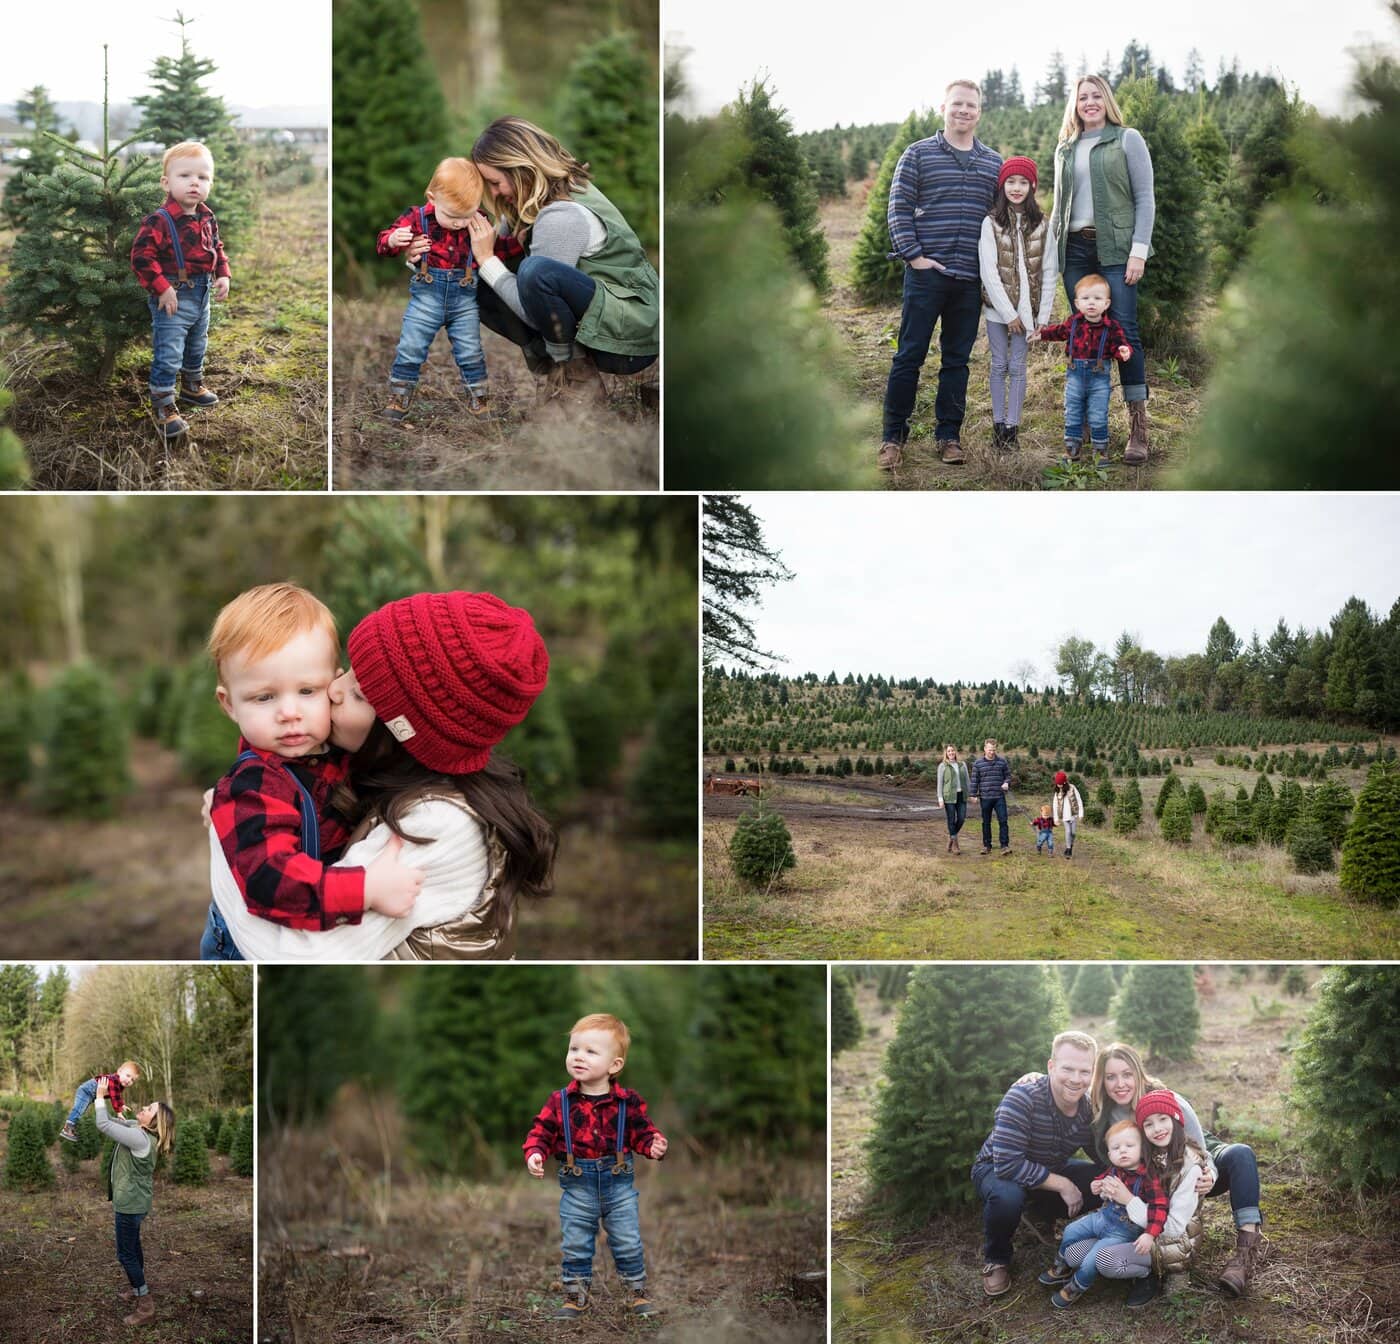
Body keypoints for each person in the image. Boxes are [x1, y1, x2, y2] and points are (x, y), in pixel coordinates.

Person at [207, 589, 557, 961]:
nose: (334, 690)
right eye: (350, 671)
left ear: (402, 733)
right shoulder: (360, 767)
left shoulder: (438, 825)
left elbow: (294, 954)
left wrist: (222, 834)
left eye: (358, 692)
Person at [201, 583, 423, 960]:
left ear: (334, 684)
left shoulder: (341, 753)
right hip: (246, 948)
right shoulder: (252, 788)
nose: (290, 713)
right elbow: (271, 881)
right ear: (230, 705)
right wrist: (364, 889)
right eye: (264, 697)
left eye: (307, 691)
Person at [464, 117, 658, 407]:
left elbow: (533, 308)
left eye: (495, 182)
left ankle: (576, 381)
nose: (493, 193)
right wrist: (429, 251)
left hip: (628, 338)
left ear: (521, 171)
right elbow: (479, 257)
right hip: (598, 322)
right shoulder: (529, 202)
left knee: (535, 272)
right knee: (471, 276)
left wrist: (487, 260)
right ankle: (561, 373)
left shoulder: (562, 215)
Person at [878, 80, 1002, 471]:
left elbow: (1000, 220)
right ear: (943, 108)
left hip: (968, 279)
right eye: (957, 104)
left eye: (971, 105)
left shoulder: (993, 163)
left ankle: (949, 436)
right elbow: (898, 207)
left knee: (956, 361)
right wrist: (914, 258)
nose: (964, 111)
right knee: (909, 355)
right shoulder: (917, 155)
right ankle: (892, 438)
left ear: (979, 112)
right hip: (927, 274)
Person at [1088, 1041, 1267, 1296]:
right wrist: (1035, 1078)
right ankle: (1149, 1258)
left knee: (1241, 1154)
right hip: (1153, 1180)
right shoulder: (1104, 1112)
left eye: (1127, 1074)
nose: (1120, 1084)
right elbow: (1069, 1081)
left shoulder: (1169, 1100)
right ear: (1101, 1081)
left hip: (1190, 1165)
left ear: (1139, 1073)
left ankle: (1244, 1256)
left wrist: (1211, 1174)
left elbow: (1202, 1151)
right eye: (1111, 1077)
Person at [523, 1013, 669, 1321]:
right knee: (576, 1244)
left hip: (618, 1186)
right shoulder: (559, 1101)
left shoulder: (627, 1102)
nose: (578, 1056)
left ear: (614, 1065)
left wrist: (653, 1145)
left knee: (627, 1241)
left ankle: (636, 1294)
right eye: (574, 1049)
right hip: (578, 1186)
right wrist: (535, 1152)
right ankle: (576, 1297)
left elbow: (642, 1132)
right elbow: (542, 1132)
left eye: (591, 1051)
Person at [1049, 76, 1156, 462]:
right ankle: (1091, 425)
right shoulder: (1065, 148)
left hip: (1116, 249)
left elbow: (1145, 198)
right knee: (1086, 335)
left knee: (1124, 334)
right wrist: (1052, 255)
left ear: (1106, 100)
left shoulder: (1127, 139)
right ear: (1074, 104)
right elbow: (1058, 207)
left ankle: (1138, 429)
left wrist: (1138, 252)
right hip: (1075, 252)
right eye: (1083, 97)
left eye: (1096, 96)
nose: (1090, 103)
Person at [970, 1030, 1102, 1297]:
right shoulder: (1023, 1097)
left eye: (1085, 1071)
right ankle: (997, 1258)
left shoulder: (1087, 1108)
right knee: (1008, 1195)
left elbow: (1101, 1154)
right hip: (996, 1169)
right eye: (1068, 1069)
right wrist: (1063, 1184)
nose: (1076, 1079)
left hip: (1048, 1169)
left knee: (1102, 1177)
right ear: (1051, 1066)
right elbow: (1007, 1164)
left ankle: (1041, 1214)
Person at [376, 157, 503, 423]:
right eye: (453, 216)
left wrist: (518, 242)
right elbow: (382, 245)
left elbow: (496, 248)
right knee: (411, 346)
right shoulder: (416, 218)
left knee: (470, 350)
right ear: (432, 198)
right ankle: (399, 396)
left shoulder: (477, 220)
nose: (460, 223)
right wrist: (392, 239)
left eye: (467, 215)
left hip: (464, 300)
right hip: (427, 298)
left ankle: (479, 398)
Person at [1071, 1089, 1216, 1308]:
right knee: (1073, 1255)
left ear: (1175, 1118)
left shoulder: (1190, 1167)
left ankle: (1148, 1273)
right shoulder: (1150, 1151)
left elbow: (1175, 1227)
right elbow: (1125, 1181)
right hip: (1132, 1229)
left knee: (1105, 1261)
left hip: (1171, 1242)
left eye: (1162, 1119)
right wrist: (1105, 1188)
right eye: (1148, 1124)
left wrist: (1129, 1200)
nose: (1157, 1128)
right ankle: (1116, 1251)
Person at [129, 141, 231, 440]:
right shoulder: (159, 221)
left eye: (203, 177)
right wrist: (161, 289)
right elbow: (141, 257)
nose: (194, 183)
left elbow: (216, 248)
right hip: (173, 295)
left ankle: (192, 385)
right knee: (169, 350)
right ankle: (163, 405)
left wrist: (222, 274)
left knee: (197, 342)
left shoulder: (206, 217)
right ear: (167, 182)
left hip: (201, 294)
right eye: (185, 176)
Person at [1041, 1118, 1167, 1308]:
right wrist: (1095, 1186)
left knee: (1093, 1260)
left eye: (1129, 1145)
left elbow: (1159, 1209)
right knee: (1070, 1231)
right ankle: (1061, 1264)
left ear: (1142, 1149)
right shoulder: (1115, 1170)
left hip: (1123, 1231)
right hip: (1101, 1218)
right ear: (1109, 1154)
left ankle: (1076, 1286)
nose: (1122, 1151)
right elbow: (1101, 1180)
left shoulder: (1149, 1178)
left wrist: (1150, 1234)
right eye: (1116, 1148)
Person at [978, 156, 1057, 450]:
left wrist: (1043, 318)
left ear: (1032, 186)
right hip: (998, 311)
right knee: (999, 364)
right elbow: (989, 272)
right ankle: (998, 426)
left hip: (1028, 313)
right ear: (1002, 185)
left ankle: (1013, 428)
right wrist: (1008, 313)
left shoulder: (1042, 225)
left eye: (1023, 182)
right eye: (1011, 181)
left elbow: (1049, 271)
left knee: (1019, 367)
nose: (1016, 187)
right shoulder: (991, 223)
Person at [94, 1075, 175, 1326]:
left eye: (149, 1109)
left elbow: (103, 1125)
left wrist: (99, 1097)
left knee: (125, 1254)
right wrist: (115, 1105)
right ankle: (136, 1286)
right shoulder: (138, 1130)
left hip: (130, 1204)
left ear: (154, 1121)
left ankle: (146, 1304)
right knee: (133, 1248)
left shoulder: (140, 1138)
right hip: (136, 1201)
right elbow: (113, 1121)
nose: (144, 1108)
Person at [1029, 274, 1133, 464]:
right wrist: (1041, 335)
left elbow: (1119, 345)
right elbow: (1058, 332)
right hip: (1075, 376)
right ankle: (1072, 449)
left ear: (1107, 304)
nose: (1091, 303)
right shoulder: (1073, 323)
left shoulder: (1111, 328)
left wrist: (1123, 351)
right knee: (1073, 411)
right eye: (1086, 299)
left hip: (1099, 379)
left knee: (1098, 413)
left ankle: (1100, 450)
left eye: (1097, 298)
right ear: (1077, 303)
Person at [60, 1060, 138, 1142]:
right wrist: (119, 1112)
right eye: (128, 1076)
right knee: (78, 1109)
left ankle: (71, 1127)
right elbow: (114, 1097)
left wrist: (121, 1105)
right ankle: (67, 1128)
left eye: (132, 1080)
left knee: (81, 1111)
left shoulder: (120, 1085)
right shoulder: (114, 1080)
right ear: (119, 1071)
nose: (129, 1080)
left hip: (91, 1095)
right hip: (86, 1091)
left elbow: (117, 1097)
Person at [969, 738, 1012, 855]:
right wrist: (972, 794)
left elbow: (1008, 776)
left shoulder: (1002, 762)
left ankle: (1004, 846)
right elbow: (974, 780)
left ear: (995, 749)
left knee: (1003, 821)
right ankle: (987, 846)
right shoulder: (978, 764)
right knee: (986, 822)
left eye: (993, 750)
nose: (991, 752)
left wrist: (1006, 782)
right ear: (985, 749)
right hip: (985, 797)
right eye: (989, 750)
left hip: (999, 797)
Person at [936, 744, 971, 854]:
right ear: (946, 753)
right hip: (949, 796)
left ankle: (951, 837)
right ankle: (955, 845)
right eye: (949, 751)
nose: (951, 753)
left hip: (961, 795)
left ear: (956, 752)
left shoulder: (962, 765)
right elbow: (940, 783)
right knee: (951, 820)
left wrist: (972, 794)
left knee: (961, 818)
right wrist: (940, 798)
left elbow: (967, 781)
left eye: (953, 751)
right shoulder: (942, 766)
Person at [1052, 771, 1085, 859]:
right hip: (1064, 816)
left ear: (1064, 782)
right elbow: (1055, 805)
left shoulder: (1072, 788)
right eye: (1057, 783)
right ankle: (1068, 849)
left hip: (1073, 815)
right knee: (1068, 832)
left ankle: (1070, 844)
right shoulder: (1057, 792)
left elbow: (1079, 800)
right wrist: (1056, 819)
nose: (1058, 785)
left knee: (1073, 833)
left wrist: (1081, 814)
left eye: (1059, 783)